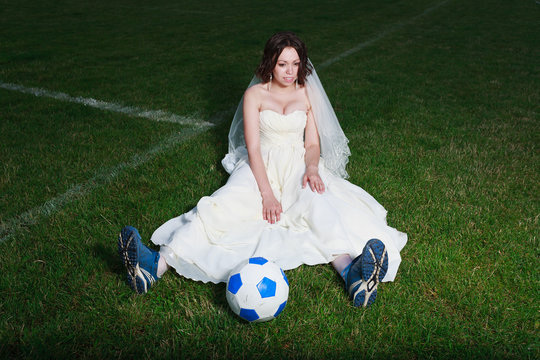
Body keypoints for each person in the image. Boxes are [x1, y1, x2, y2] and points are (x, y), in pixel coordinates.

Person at [118, 31, 407, 308]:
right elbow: (254, 148)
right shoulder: (255, 94)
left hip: (296, 162)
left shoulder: (307, 94)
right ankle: (155, 265)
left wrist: (312, 168)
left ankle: (352, 276)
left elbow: (312, 144)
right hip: (260, 164)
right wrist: (267, 193)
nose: (289, 71)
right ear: (270, 62)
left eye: (295, 64)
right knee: (224, 204)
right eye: (283, 64)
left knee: (315, 203)